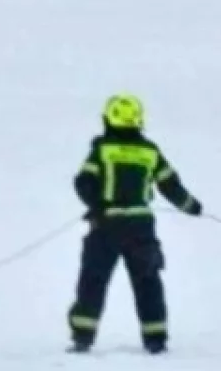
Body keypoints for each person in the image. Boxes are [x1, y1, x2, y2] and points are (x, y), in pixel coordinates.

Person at [67, 94, 203, 353]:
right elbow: (170, 185)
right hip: (141, 228)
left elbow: (83, 182)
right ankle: (155, 339)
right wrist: (192, 207)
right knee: (148, 281)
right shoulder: (150, 151)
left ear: (108, 119)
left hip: (106, 227)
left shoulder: (102, 149)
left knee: (93, 280)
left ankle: (82, 338)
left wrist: (96, 206)